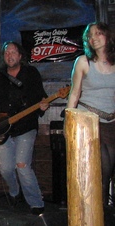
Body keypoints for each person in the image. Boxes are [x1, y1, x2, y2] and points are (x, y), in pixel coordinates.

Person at [0, 41, 49, 215]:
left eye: (13, 52)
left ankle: (36, 203)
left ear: (20, 56)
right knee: (5, 168)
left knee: (22, 165)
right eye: (6, 53)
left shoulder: (31, 73)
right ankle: (15, 192)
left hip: (26, 126)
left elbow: (41, 98)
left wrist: (43, 105)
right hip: (4, 127)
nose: (9, 55)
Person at [66, 22, 115, 207]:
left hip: (111, 121)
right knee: (102, 169)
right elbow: (74, 93)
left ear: (107, 36)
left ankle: (102, 210)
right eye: (90, 36)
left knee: (108, 172)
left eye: (98, 34)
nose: (93, 38)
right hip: (89, 121)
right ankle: (97, 211)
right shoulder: (83, 62)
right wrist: (68, 123)